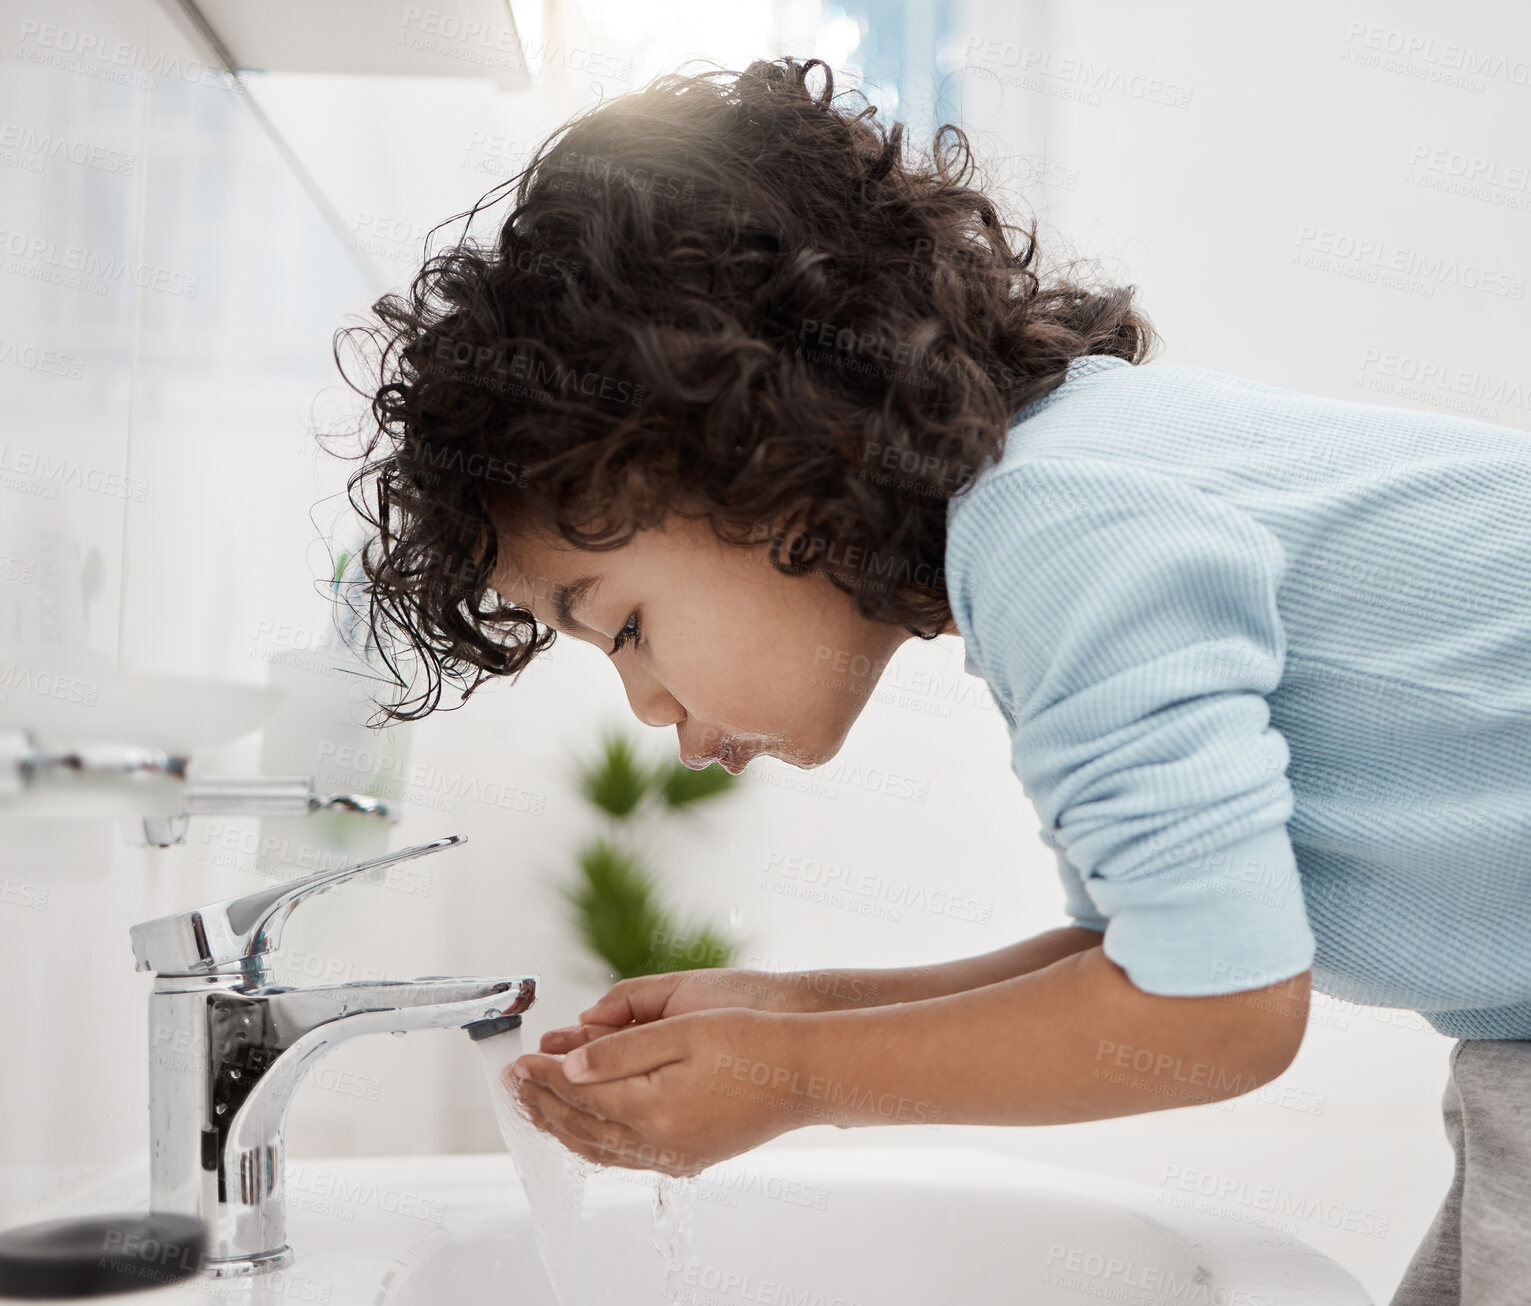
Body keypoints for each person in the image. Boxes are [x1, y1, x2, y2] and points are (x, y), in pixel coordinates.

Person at [336, 56, 1531, 1305]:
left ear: (760, 450)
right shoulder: (1067, 489)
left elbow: (1216, 1010)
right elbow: (1147, 951)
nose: (654, 716)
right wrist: (790, 1014)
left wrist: (793, 1078)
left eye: (625, 625)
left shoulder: (1056, 527)